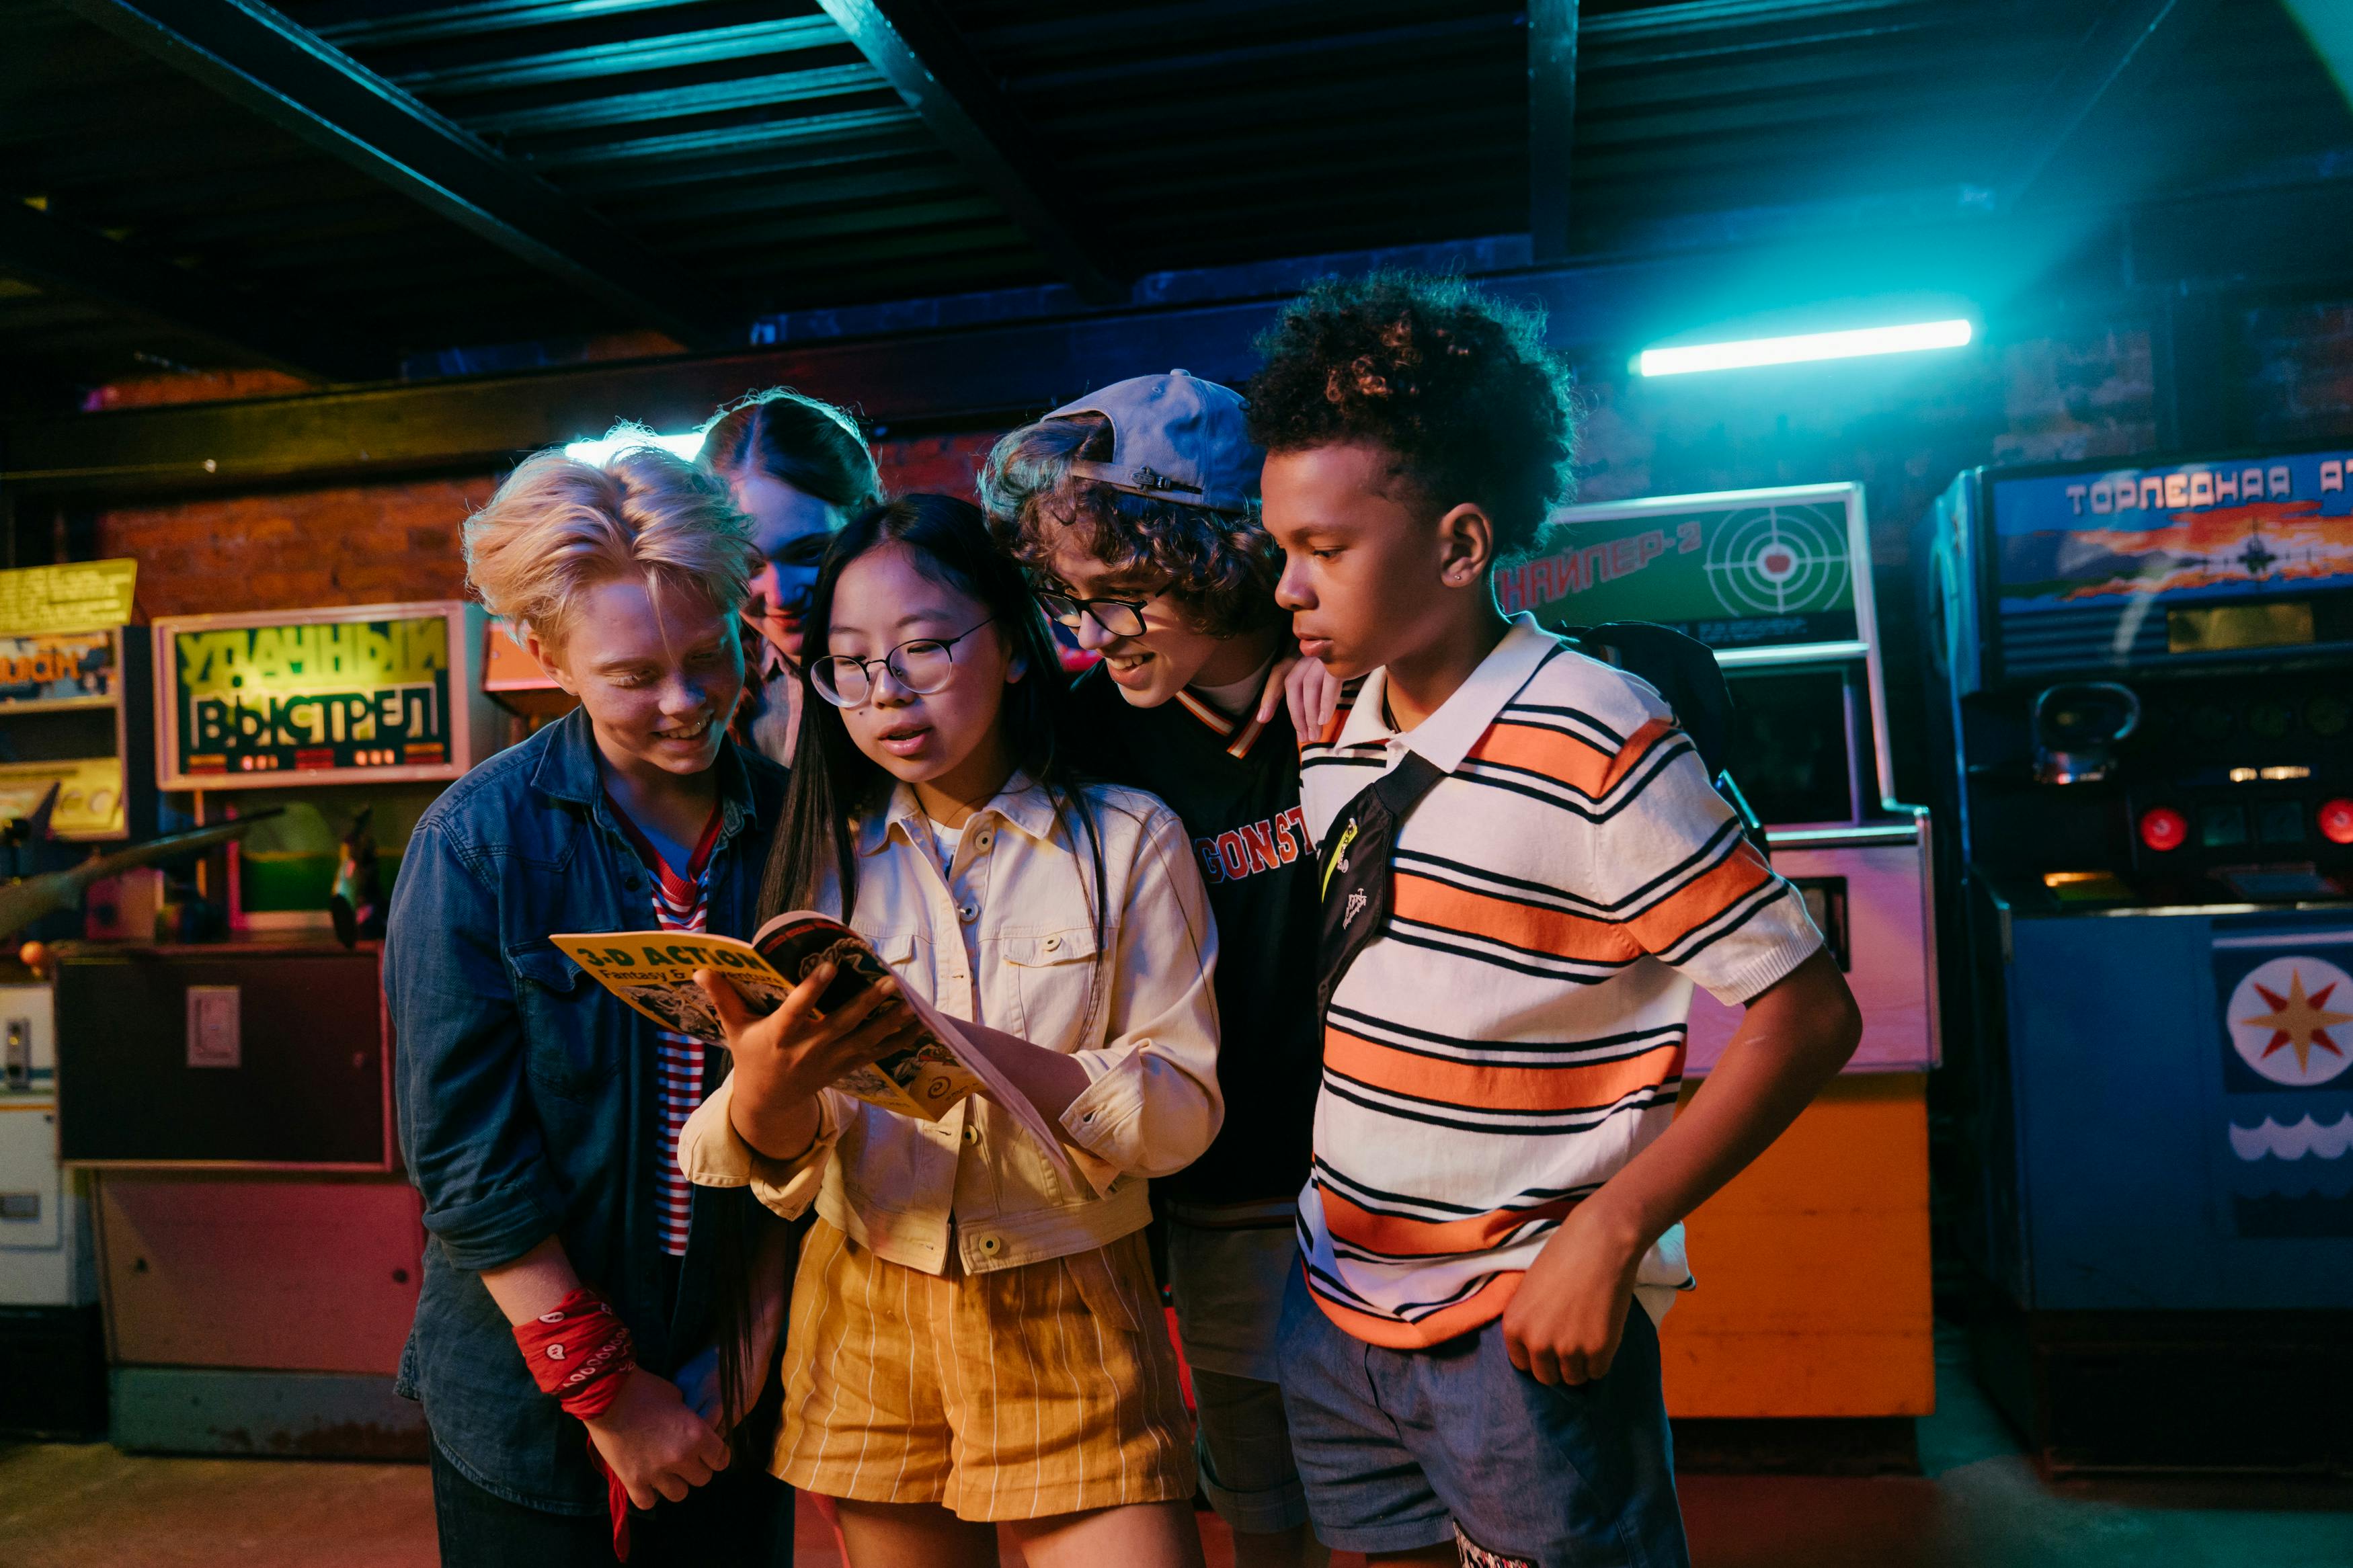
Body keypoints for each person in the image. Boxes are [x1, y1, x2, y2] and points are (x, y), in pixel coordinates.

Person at [1250, 273, 1864, 1568]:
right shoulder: (1343, 729)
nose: (1287, 590)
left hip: (1520, 1322)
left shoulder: (1596, 724)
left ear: (1462, 546)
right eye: (1280, 550)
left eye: (1325, 550)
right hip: (1334, 1301)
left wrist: (1610, 1229)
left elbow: (1806, 1011)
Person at [676, 495, 1225, 1568]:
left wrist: (969, 1048)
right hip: (866, 1309)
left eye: (925, 647)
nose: (887, 693)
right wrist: (768, 1095)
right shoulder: (817, 864)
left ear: (1016, 648)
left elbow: (1182, 1119)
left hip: (1069, 1299)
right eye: (849, 664)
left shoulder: (1124, 840)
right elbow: (791, 1160)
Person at [385, 439, 795, 1567]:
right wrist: (609, 1394)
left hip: (735, 1381)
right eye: (631, 675)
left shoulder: (797, 821)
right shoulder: (478, 841)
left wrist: (749, 1348)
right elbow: (465, 1156)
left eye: (708, 655)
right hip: (528, 1392)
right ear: (546, 654)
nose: (685, 701)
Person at [982, 372, 1328, 1568]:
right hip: (1221, 1195)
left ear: (1226, 556)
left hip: (1390, 1193)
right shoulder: (1089, 736)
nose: (1092, 632)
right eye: (1071, 599)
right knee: (1265, 1508)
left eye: (1128, 595)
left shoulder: (1362, 685)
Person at [701, 388, 885, 766]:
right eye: (747, 565)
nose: (781, 595)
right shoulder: (713, 687)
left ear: (867, 519)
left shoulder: (933, 668)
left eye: (810, 553)